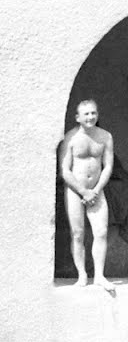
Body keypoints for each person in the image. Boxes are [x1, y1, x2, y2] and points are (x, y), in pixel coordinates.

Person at [60, 98, 115, 290]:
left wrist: (96, 190)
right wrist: (83, 190)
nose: (90, 117)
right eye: (86, 114)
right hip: (76, 190)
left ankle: (99, 275)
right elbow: (65, 170)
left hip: (96, 190)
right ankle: (82, 275)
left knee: (101, 232)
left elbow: (108, 166)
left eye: (94, 113)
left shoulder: (105, 137)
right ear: (78, 117)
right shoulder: (71, 138)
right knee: (78, 234)